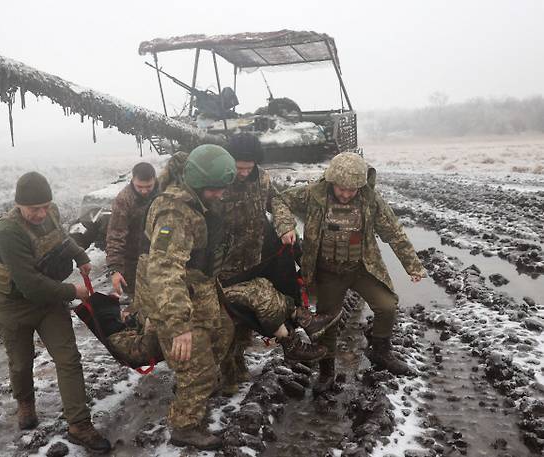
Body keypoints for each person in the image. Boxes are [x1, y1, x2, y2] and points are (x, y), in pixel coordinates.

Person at [281, 152, 427, 393]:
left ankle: (380, 351)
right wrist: (286, 225)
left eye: (353, 190)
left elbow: (394, 232)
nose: (347, 194)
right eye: (341, 189)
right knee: (327, 322)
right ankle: (327, 371)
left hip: (361, 268)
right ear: (331, 182)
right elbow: (280, 201)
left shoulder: (371, 201)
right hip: (327, 272)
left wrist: (412, 265)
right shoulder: (312, 195)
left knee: (387, 305)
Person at [0, 171, 110, 452]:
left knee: (68, 358)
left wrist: (80, 257)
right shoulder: (8, 233)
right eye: (34, 209)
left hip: (49, 302)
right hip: (13, 306)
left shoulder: (49, 212)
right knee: (21, 362)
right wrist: (73, 292)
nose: (42, 213)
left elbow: (61, 238)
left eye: (45, 206)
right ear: (19, 205)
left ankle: (79, 424)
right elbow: (30, 285)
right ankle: (26, 403)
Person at [217, 133, 340, 394]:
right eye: (238, 167)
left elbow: (277, 202)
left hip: (255, 258)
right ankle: (227, 377)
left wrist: (285, 226)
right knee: (228, 321)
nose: (242, 172)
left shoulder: (262, 179)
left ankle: (239, 366)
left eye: (247, 167)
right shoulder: (220, 181)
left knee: (246, 320)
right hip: (224, 265)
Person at [134, 145, 236, 450]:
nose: (219, 195)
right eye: (215, 189)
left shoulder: (196, 199)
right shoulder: (174, 214)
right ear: (198, 182)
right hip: (172, 297)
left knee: (224, 333)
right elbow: (165, 270)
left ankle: (195, 385)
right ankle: (185, 426)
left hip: (197, 287)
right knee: (198, 365)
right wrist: (179, 326)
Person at [106, 162, 158, 296]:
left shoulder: (164, 193)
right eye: (140, 187)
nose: (144, 191)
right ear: (133, 180)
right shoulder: (124, 200)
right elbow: (116, 235)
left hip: (160, 256)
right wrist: (115, 268)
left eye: (149, 186)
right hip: (133, 260)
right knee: (138, 302)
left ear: (155, 180)